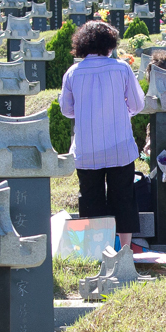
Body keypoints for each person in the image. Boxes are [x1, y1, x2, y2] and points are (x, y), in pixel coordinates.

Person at [59, 21, 145, 252]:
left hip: (87, 148)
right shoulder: (122, 69)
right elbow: (137, 104)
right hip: (119, 146)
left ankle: (96, 250)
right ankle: (125, 250)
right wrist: (121, 112)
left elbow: (66, 110)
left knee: (90, 198)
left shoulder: (73, 73)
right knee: (124, 197)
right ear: (110, 44)